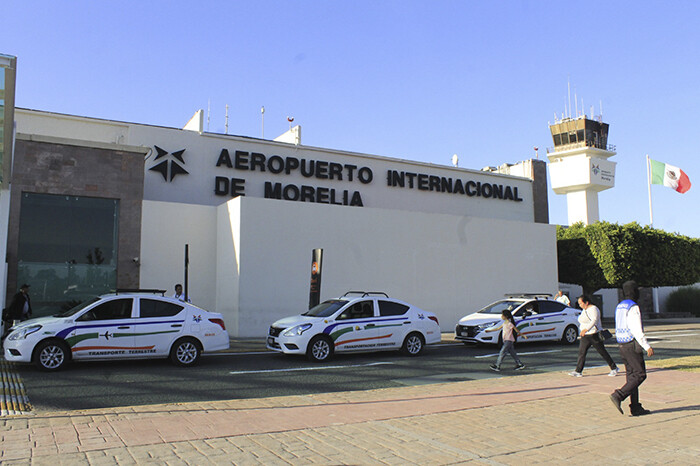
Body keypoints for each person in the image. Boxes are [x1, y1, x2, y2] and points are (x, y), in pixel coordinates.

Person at [610, 280, 654, 416]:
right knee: (640, 374)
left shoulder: (620, 306)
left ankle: (635, 407)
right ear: (635, 292)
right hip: (632, 343)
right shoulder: (633, 307)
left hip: (622, 344)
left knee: (631, 377)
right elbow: (636, 329)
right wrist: (646, 346)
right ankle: (619, 395)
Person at [568, 295, 618, 377]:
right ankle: (578, 371)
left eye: (581, 303)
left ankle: (614, 368)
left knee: (602, 352)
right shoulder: (584, 310)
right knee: (582, 352)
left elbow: (594, 320)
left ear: (586, 302)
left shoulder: (594, 309)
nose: (580, 305)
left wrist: (586, 329)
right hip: (585, 336)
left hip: (594, 334)